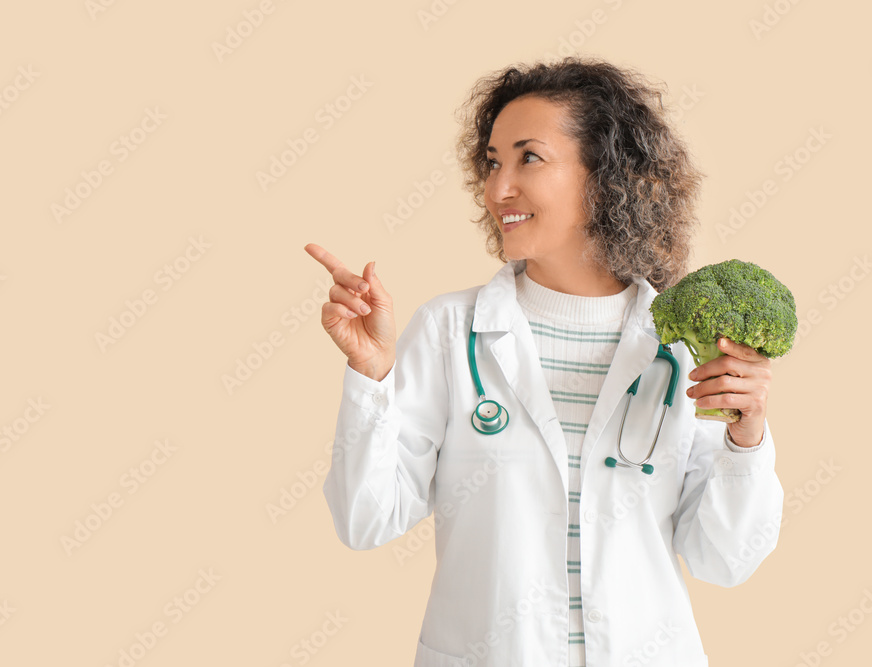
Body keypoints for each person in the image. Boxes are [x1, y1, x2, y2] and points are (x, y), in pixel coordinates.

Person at [304, 56, 783, 667]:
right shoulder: (451, 330)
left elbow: (726, 559)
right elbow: (366, 519)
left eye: (529, 157)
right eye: (493, 161)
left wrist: (747, 438)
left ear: (607, 176)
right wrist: (370, 378)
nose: (498, 187)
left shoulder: (684, 343)